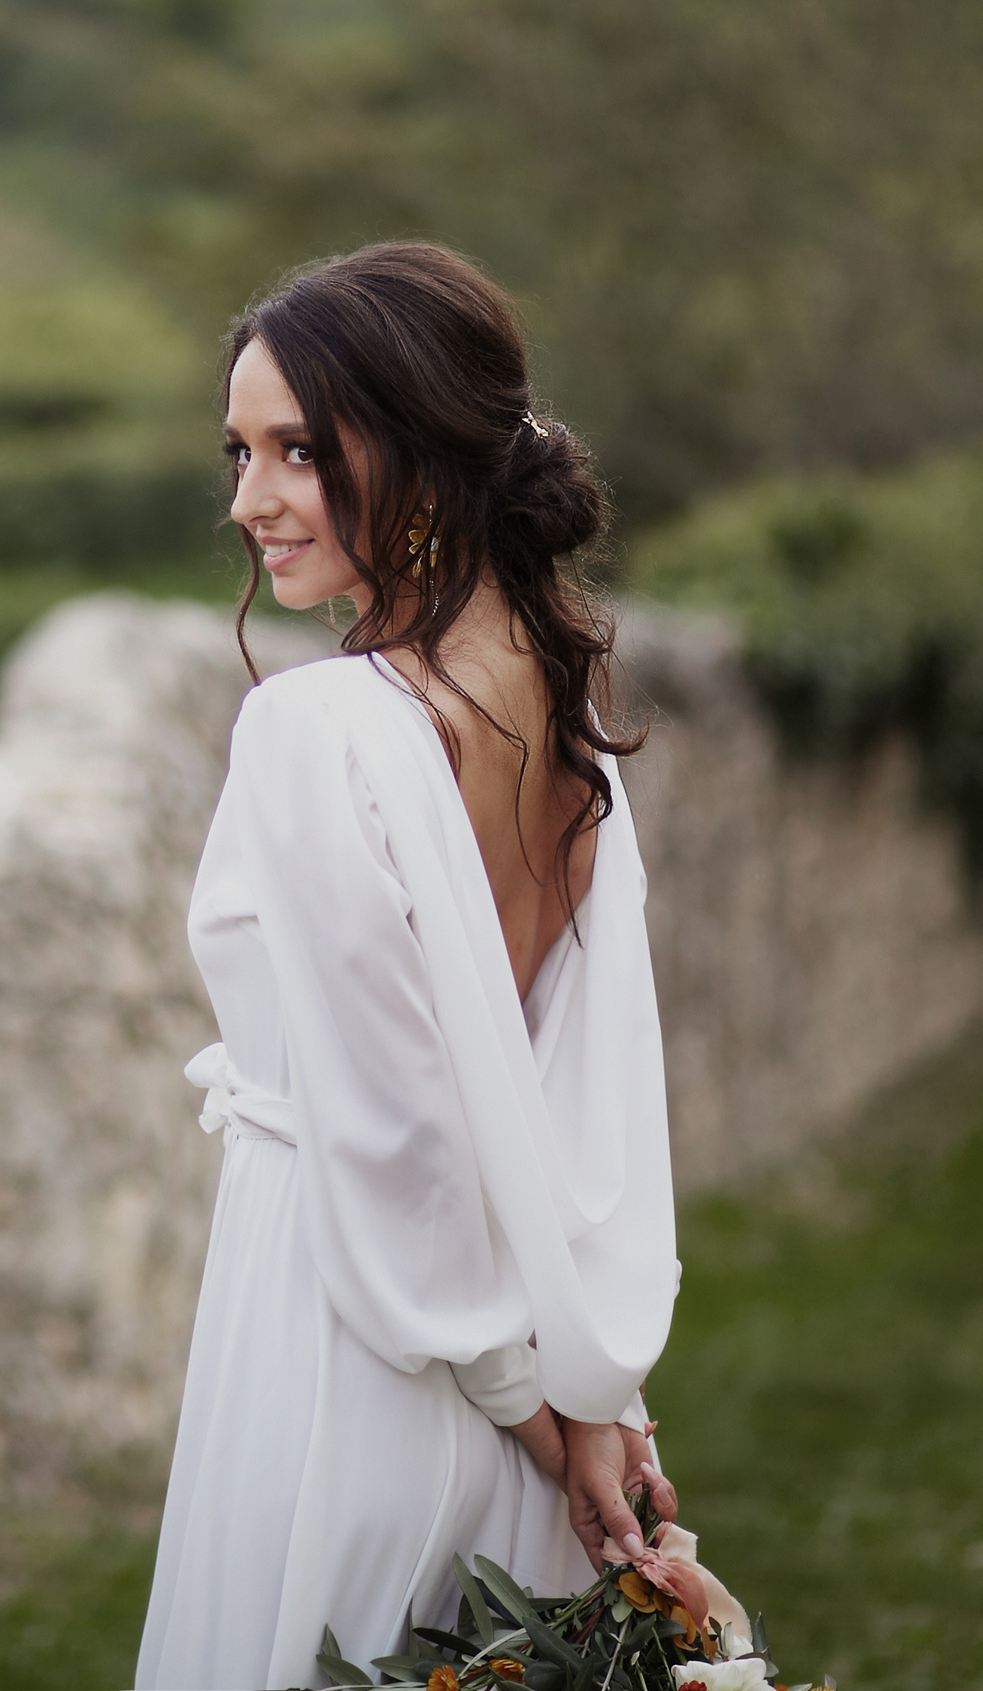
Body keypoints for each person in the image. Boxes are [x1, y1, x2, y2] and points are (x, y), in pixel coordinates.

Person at [136, 243, 684, 1690]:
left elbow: (394, 1137)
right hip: (524, 1377)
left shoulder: (322, 732)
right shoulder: (571, 732)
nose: (249, 502)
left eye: (302, 452)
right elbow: (585, 1125)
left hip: (350, 1350)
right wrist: (597, 1405)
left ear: (429, 450)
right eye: (240, 451)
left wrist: (541, 1414)